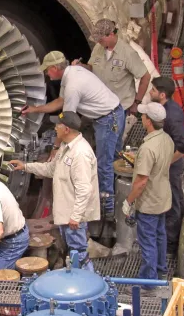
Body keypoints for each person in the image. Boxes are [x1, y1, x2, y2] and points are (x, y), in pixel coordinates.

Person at [23, 51, 124, 220]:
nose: (47, 74)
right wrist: (34, 109)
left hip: (108, 119)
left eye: (47, 70)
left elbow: (66, 124)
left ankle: (107, 210)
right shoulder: (70, 74)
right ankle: (116, 198)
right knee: (112, 161)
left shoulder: (73, 85)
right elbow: (60, 102)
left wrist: (55, 148)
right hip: (109, 114)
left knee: (105, 164)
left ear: (55, 68)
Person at [10, 112, 99, 271]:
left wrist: (76, 217)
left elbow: (84, 189)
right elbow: (51, 169)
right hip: (67, 215)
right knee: (73, 254)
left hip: (73, 218)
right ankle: (77, 285)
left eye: (58, 125)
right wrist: (25, 166)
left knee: (79, 255)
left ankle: (87, 288)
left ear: (66, 129)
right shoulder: (66, 147)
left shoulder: (80, 153)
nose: (55, 128)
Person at [73, 18, 151, 153]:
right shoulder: (99, 48)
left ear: (111, 34)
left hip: (117, 109)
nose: (98, 42)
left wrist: (136, 102)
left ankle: (112, 169)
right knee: (87, 136)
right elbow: (92, 68)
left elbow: (145, 76)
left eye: (101, 39)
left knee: (111, 147)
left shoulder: (128, 54)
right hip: (97, 104)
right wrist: (81, 67)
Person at [122, 102, 174, 292]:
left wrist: (128, 201)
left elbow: (141, 182)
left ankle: (147, 283)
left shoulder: (147, 148)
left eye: (143, 116)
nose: (142, 117)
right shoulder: (167, 139)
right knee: (160, 236)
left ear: (149, 121)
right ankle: (160, 272)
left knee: (148, 242)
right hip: (163, 198)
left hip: (149, 203)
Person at [149, 77, 184, 254]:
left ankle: (170, 245)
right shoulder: (165, 108)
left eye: (153, 90)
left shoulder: (171, 116)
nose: (150, 92)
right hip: (168, 162)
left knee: (173, 201)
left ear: (162, 94)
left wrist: (166, 162)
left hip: (171, 166)